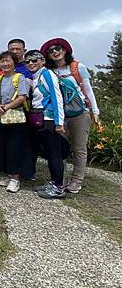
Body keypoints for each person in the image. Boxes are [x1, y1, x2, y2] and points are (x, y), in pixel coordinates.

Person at [41, 37, 100, 194]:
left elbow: (88, 89)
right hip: (59, 115)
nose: (55, 52)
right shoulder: (50, 72)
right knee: (61, 148)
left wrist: (95, 111)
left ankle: (76, 180)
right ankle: (61, 178)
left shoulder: (77, 67)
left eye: (57, 49)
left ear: (65, 50)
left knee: (79, 147)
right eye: (51, 51)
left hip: (80, 113)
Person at [24, 50, 68, 199]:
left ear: (43, 61)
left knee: (54, 153)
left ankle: (59, 187)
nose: (31, 63)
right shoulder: (36, 77)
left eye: (34, 60)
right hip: (41, 119)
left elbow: (57, 97)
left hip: (49, 120)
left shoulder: (47, 74)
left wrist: (59, 122)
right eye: (28, 61)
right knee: (49, 153)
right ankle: (54, 182)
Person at [0, 51, 33, 193]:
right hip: (0, 116)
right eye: (2, 61)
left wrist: (5, 107)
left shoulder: (20, 77)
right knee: (3, 147)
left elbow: (22, 97)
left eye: (8, 61)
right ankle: (9, 175)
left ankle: (15, 178)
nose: (5, 64)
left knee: (15, 148)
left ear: (14, 62)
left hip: (15, 117)